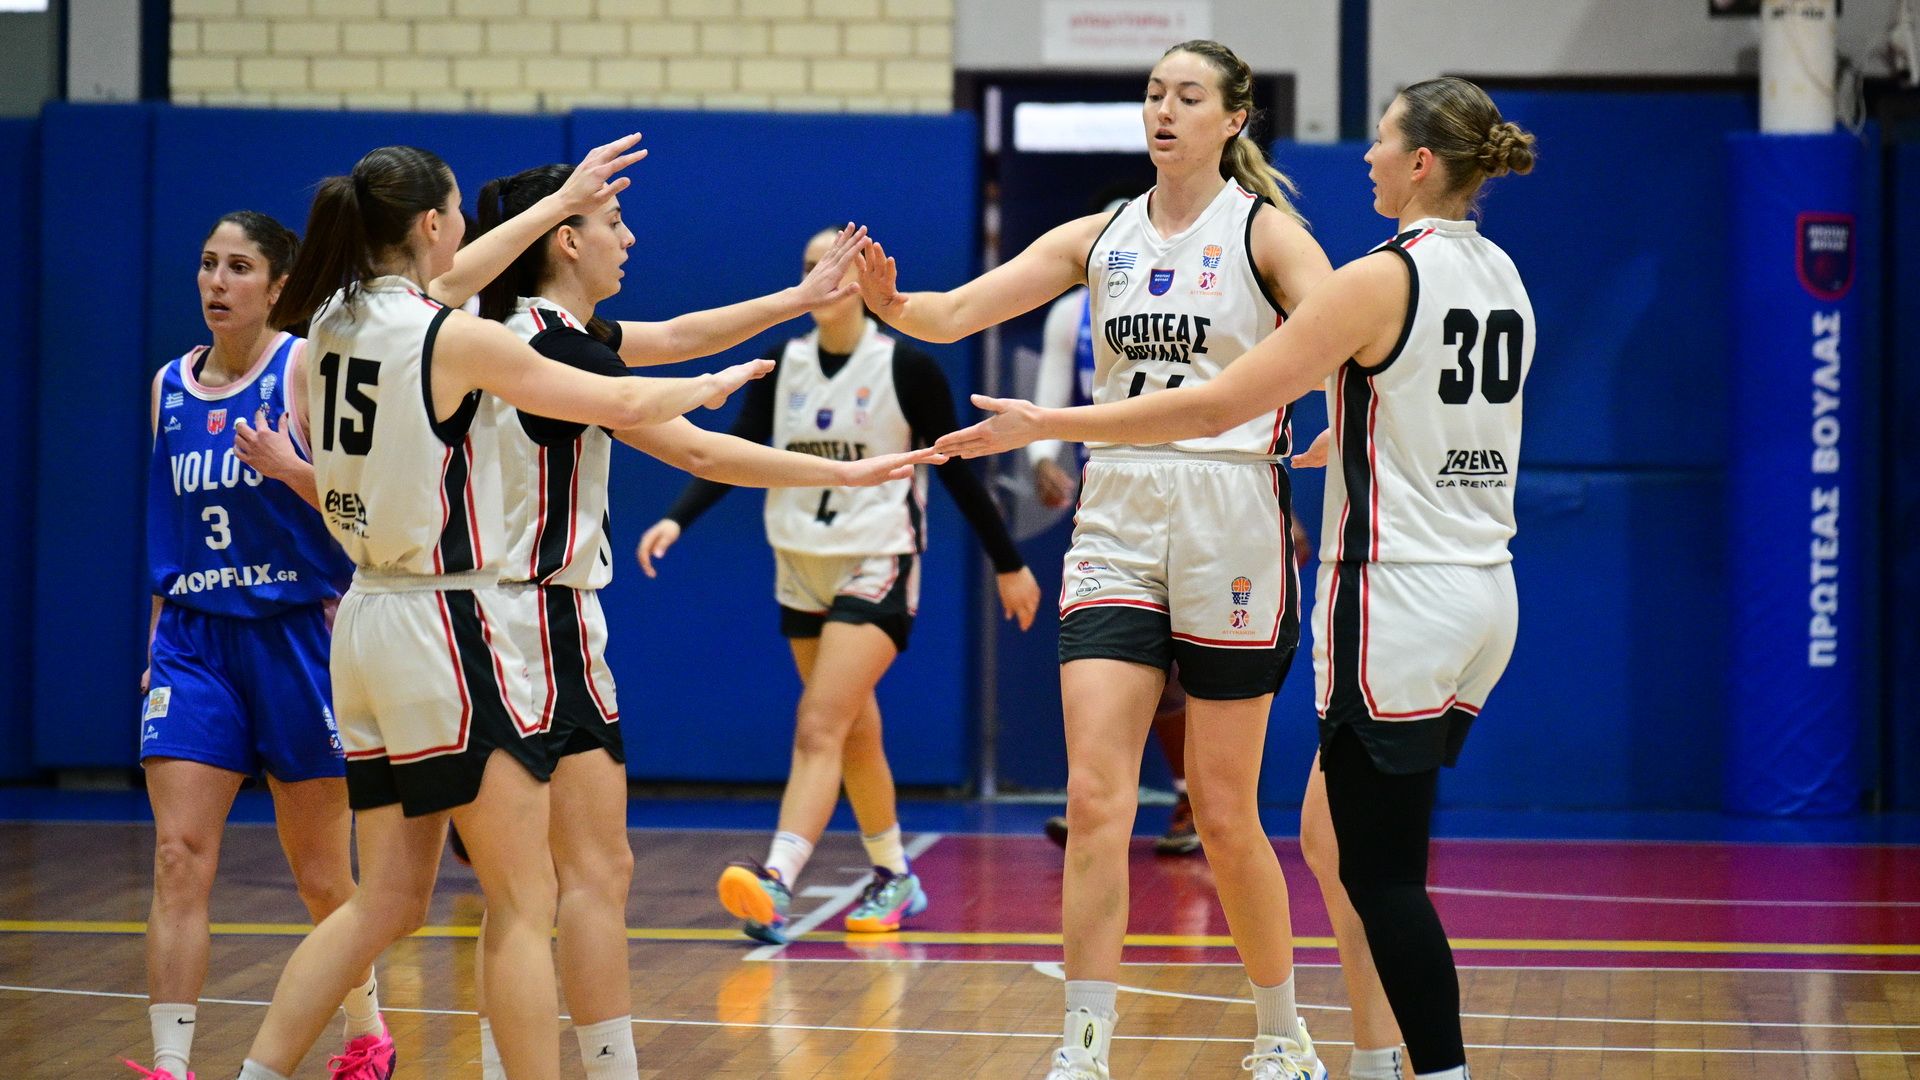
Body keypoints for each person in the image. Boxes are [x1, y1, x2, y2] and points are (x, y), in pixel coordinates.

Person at [933, 76, 1538, 1080]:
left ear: (1422, 162)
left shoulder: (1370, 275)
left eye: (1382, 140)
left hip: (1399, 590)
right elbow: (1434, 403)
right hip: (1486, 589)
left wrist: (1049, 424)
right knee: (1329, 841)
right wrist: (1352, 441)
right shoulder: (1501, 273)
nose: (1367, 156)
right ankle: (1348, 1055)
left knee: (1378, 871)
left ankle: (1415, 1068)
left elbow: (1215, 408)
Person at [226, 138, 770, 1080]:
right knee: (523, 900)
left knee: (385, 901)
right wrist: (705, 389)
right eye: (457, 219)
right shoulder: (455, 336)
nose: (468, 235)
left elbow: (457, 281)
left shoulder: (330, 325)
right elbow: (608, 399)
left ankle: (255, 1073)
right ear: (432, 224)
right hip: (445, 618)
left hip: (362, 622)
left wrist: (560, 200)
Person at [855, 38, 1336, 1080]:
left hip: (1231, 513)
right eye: (1154, 93)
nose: (1164, 110)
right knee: (1097, 801)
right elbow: (957, 311)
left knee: (1225, 813)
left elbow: (1346, 333)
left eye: (1188, 96)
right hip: (1117, 513)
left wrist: (1342, 418)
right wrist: (893, 305)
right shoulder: (1099, 237)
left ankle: (1281, 1031)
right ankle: (1082, 1045)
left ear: (1233, 118)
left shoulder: (1265, 234)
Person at [453, 163, 931, 1080]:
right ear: (567, 238)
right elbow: (696, 445)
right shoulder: (549, 348)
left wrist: (797, 298)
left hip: (528, 620)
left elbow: (674, 335)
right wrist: (841, 470)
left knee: (576, 876)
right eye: (614, 220)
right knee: (540, 886)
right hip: (520, 621)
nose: (629, 237)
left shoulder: (535, 334)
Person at [636, 226, 1042, 945]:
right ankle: (894, 874)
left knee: (820, 723)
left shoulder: (906, 366)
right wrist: (676, 518)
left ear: (860, 281)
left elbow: (958, 471)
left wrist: (1007, 561)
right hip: (799, 562)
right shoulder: (784, 364)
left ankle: (776, 879)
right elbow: (732, 452)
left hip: (876, 560)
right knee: (852, 730)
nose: (818, 275)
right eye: (807, 264)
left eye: (832, 264)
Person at [129, 211, 387, 1080]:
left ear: (279, 285)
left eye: (239, 267)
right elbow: (168, 525)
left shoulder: (305, 368)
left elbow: (364, 509)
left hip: (298, 636)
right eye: (208, 263)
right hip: (194, 641)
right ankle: (171, 1065)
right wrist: (158, 635)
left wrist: (289, 468)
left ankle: (367, 1032)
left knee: (321, 876)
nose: (217, 281)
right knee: (178, 856)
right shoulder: (168, 386)